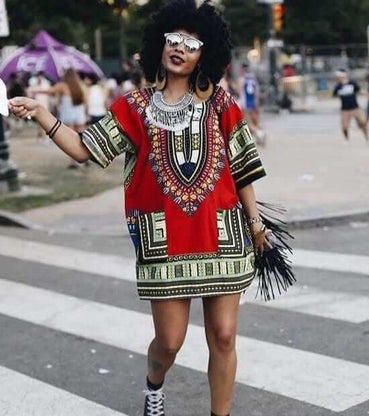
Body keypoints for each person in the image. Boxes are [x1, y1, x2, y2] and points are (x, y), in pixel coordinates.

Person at [7, 1, 294, 415]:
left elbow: (243, 170)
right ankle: (154, 384)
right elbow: (85, 150)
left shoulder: (223, 105)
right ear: (159, 45)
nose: (179, 48)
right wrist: (41, 114)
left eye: (191, 43)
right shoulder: (133, 107)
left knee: (225, 336)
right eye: (172, 40)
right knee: (170, 342)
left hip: (225, 234)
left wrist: (256, 226)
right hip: (165, 243)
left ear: (204, 53)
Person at [33, 68, 87, 168]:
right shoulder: (80, 85)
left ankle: (73, 162)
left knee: (71, 139)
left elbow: (50, 91)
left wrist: (36, 90)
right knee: (82, 138)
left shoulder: (63, 86)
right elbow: (84, 100)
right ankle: (85, 159)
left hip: (68, 114)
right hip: (79, 114)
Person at [333, 69, 369, 143]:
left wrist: (367, 94)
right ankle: (346, 139)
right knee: (344, 126)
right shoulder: (338, 86)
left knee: (362, 123)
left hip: (355, 107)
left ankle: (367, 139)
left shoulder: (352, 83)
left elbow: (359, 90)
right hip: (345, 109)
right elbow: (334, 94)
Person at [238, 63, 266, 145]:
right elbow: (257, 93)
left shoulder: (241, 79)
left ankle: (260, 134)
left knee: (247, 122)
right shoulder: (253, 79)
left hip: (245, 104)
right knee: (254, 121)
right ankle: (256, 136)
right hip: (253, 103)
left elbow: (239, 92)